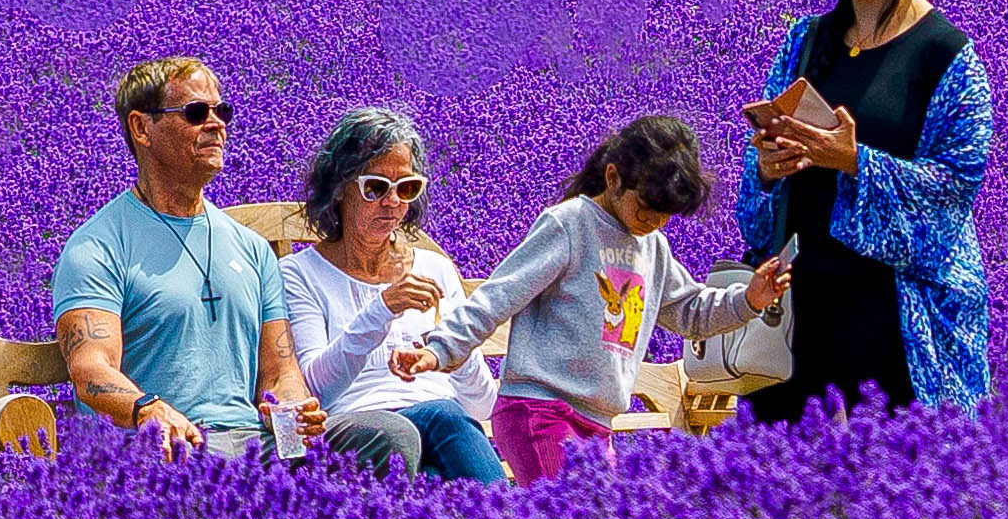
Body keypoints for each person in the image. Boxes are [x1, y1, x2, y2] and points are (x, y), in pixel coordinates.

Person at [51, 55, 418, 469]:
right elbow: (91, 369)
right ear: (141, 128)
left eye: (220, 110)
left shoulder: (251, 248)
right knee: (195, 464)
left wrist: (294, 410)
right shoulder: (99, 246)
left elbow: (280, 373)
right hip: (167, 444)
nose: (216, 124)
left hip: (252, 442)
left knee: (388, 436)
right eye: (195, 113)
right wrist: (149, 411)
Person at [392, 116, 791, 485]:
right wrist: (440, 349)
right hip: (540, 410)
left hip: (597, 422)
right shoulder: (570, 224)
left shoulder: (651, 246)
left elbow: (690, 313)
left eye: (666, 215)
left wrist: (750, 299)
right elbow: (499, 295)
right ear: (613, 177)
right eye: (646, 209)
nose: (654, 223)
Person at [736, 0, 993, 422]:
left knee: (900, 485)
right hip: (802, 309)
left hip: (896, 318)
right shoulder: (805, 41)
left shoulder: (945, 56)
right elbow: (757, 174)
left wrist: (855, 160)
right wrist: (769, 167)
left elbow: (956, 188)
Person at [281, 109, 507, 483]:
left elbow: (481, 406)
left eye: (406, 188)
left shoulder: (435, 269)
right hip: (358, 432)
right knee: (443, 418)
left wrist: (452, 353)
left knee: (435, 476)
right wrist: (382, 309)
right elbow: (314, 391)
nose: (392, 203)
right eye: (376, 187)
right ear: (339, 188)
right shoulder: (299, 275)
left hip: (444, 434)